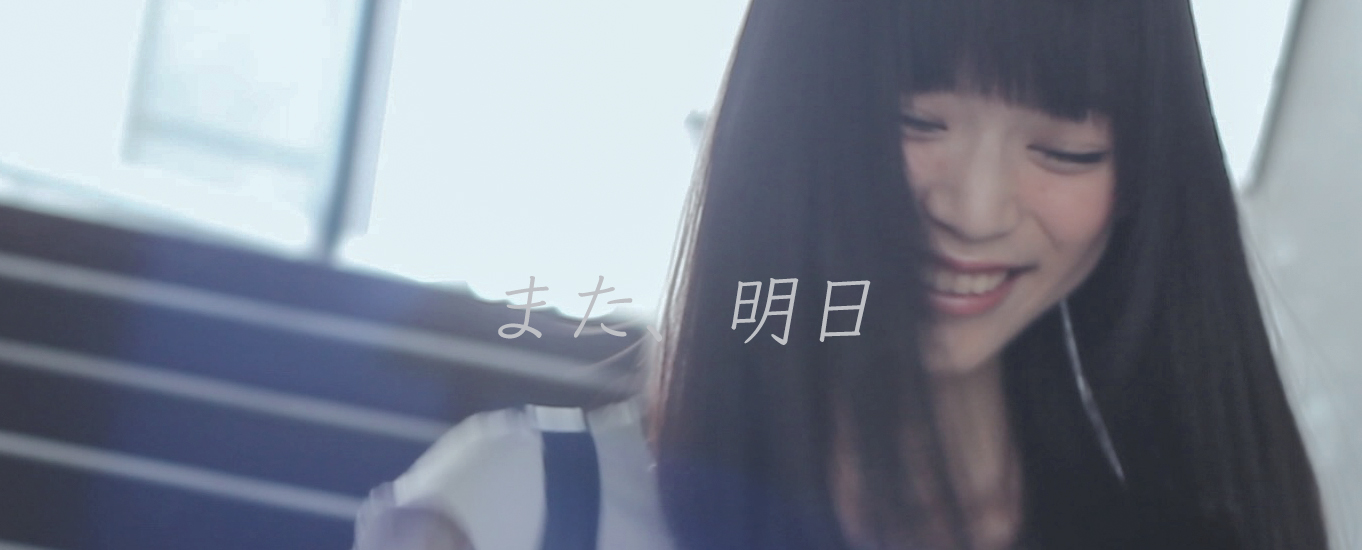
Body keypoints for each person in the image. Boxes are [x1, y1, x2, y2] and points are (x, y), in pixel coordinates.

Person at [353, 0, 1332, 548]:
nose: (976, 208)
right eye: (918, 120)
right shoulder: (521, 510)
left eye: (1065, 149)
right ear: (789, 116)